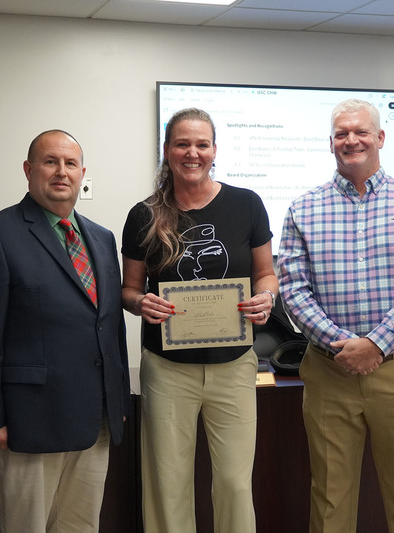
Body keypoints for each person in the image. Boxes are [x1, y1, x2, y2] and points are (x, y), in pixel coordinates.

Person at [277, 99, 394, 533]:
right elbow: (294, 292)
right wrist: (344, 346)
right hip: (328, 371)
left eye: (360, 131)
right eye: (341, 133)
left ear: (380, 138)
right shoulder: (303, 209)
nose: (351, 140)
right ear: (331, 143)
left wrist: (374, 345)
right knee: (330, 497)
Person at [0, 129, 129, 533]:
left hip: (93, 422)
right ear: (29, 170)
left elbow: (109, 325)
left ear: (82, 172)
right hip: (26, 424)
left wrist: (115, 399)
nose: (61, 172)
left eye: (70, 164)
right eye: (50, 162)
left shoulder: (101, 239)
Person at [121, 107, 278, 533]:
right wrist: (140, 304)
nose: (193, 153)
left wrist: (266, 296)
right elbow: (129, 289)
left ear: (214, 151)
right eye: (182, 144)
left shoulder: (247, 204)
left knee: (233, 483)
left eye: (202, 144)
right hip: (168, 369)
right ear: (168, 150)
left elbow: (266, 272)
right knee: (168, 484)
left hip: (234, 365)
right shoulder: (144, 215)